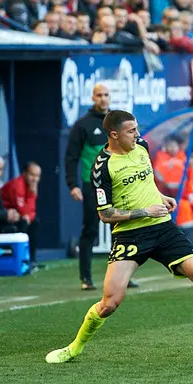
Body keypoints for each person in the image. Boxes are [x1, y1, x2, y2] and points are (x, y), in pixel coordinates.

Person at [45, 110, 193, 364]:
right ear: (114, 135)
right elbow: (105, 214)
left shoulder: (142, 147)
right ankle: (74, 348)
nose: (137, 134)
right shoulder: (101, 167)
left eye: (137, 128)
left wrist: (160, 197)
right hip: (129, 235)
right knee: (110, 302)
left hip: (162, 228)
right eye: (131, 131)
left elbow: (146, 183)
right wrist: (144, 211)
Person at [65, 84, 138, 291]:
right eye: (99, 95)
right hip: (93, 185)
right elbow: (71, 157)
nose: (103, 98)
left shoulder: (118, 123)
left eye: (106, 94)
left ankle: (123, 276)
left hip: (118, 183)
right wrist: (73, 184)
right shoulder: (83, 125)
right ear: (92, 97)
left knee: (121, 229)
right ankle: (86, 278)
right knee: (90, 230)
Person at [0, 161, 42, 267]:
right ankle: (19, 259)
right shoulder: (17, 185)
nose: (35, 179)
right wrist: (32, 195)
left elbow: (32, 211)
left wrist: (29, 216)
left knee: (35, 221)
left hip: (17, 216)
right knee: (24, 222)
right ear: (24, 173)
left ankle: (32, 260)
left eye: (37, 176)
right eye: (32, 175)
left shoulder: (30, 187)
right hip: (2, 217)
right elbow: (22, 210)